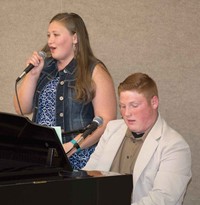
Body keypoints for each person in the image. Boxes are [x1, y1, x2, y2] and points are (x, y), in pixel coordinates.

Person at [13, 12, 117, 170]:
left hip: (78, 159)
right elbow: (22, 108)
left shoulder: (94, 71)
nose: (50, 41)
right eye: (48, 35)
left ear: (75, 38)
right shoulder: (44, 66)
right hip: (41, 157)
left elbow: (106, 121)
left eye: (56, 35)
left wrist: (71, 146)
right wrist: (33, 75)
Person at [83, 72, 192, 205]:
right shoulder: (112, 129)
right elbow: (88, 176)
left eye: (134, 106)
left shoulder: (175, 146)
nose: (127, 113)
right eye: (122, 106)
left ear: (154, 102)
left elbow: (163, 199)